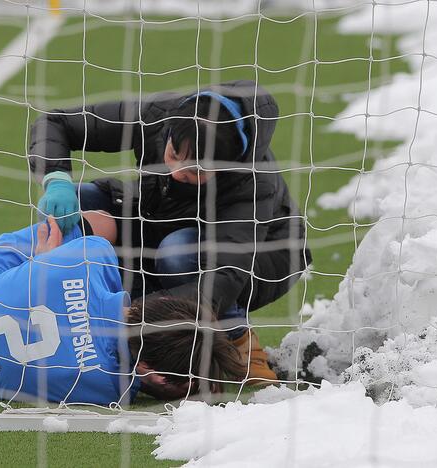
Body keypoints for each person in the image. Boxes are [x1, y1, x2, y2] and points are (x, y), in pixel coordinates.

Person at [29, 80, 312, 384]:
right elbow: (55, 122)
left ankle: (236, 338)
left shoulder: (252, 182)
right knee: (78, 201)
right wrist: (56, 178)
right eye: (174, 154)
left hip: (258, 258)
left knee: (177, 254)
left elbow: (224, 277)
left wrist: (127, 312)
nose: (177, 173)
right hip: (165, 218)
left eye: (196, 171)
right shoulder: (156, 114)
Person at [0, 212, 244, 405]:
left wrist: (46, 264)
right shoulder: (114, 390)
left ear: (158, 301)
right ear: (150, 369)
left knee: (97, 223)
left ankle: (34, 265)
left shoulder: (94, 256)